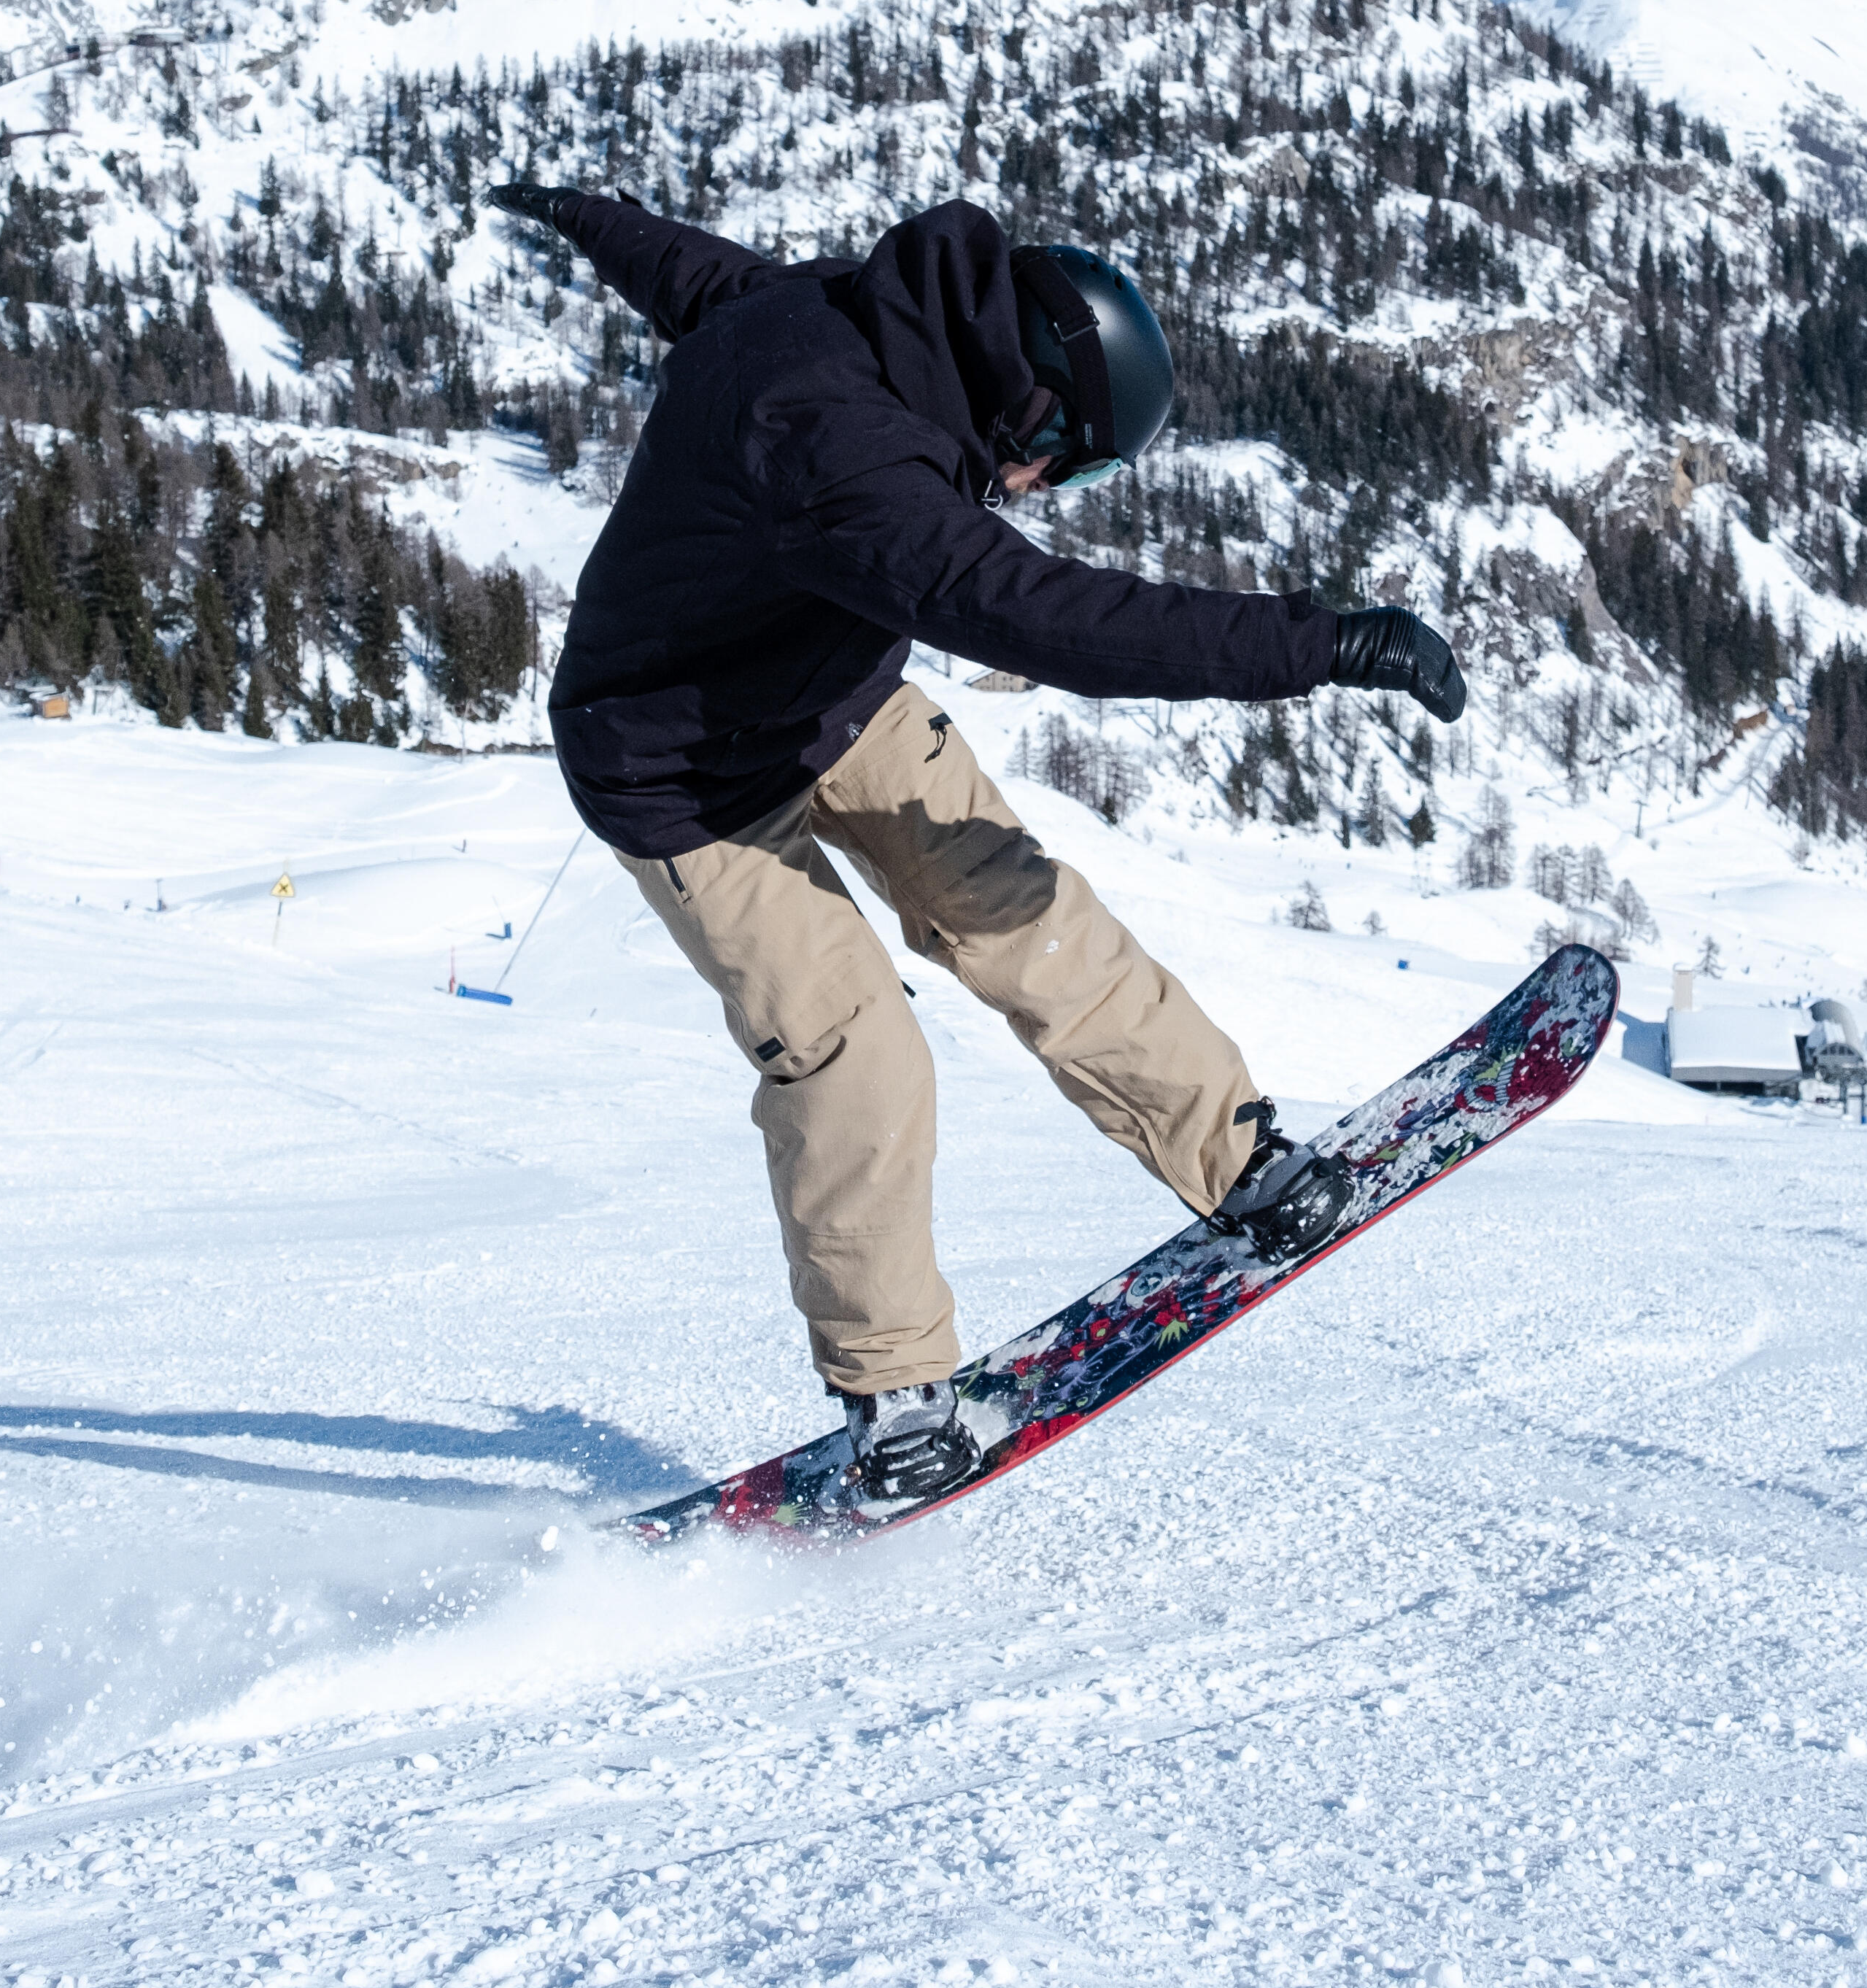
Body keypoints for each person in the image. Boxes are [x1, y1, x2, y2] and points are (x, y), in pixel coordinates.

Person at [482, 181, 1468, 1506]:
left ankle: (1237, 1159)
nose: (1054, 491)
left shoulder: (847, 307)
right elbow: (1062, 622)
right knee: (856, 1050)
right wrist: (1320, 642)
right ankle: (893, 1393)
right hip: (682, 776)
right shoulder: (851, 465)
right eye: (1075, 464)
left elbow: (697, 275)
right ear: (1031, 410)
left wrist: (586, 214)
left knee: (1025, 914)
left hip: (831, 699)